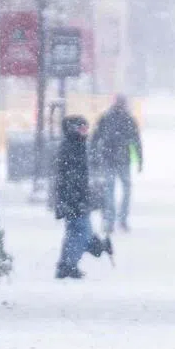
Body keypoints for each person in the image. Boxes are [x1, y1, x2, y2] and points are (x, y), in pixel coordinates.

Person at [53, 116, 113, 279]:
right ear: (74, 129)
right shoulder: (72, 147)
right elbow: (71, 177)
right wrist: (77, 199)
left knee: (75, 232)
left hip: (73, 199)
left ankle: (67, 263)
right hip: (74, 199)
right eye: (82, 128)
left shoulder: (75, 145)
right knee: (81, 232)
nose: (86, 132)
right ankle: (72, 263)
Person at [90, 95, 143, 234]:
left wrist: (94, 156)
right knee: (124, 190)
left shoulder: (106, 118)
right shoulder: (128, 119)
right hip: (122, 159)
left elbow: (95, 138)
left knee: (109, 190)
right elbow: (136, 141)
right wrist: (140, 160)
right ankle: (122, 220)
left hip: (109, 158)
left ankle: (110, 221)